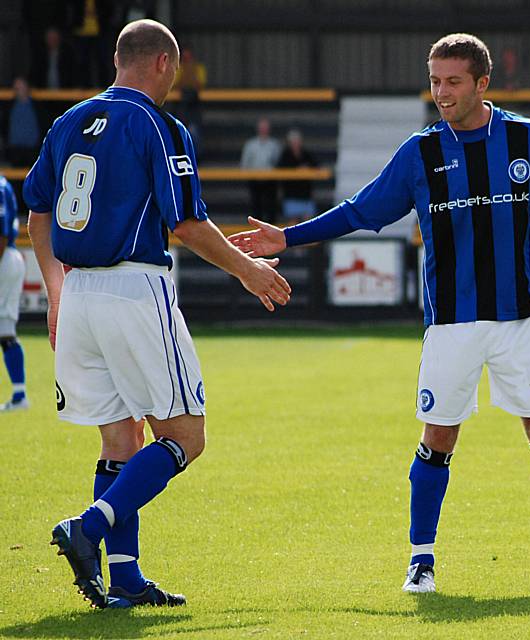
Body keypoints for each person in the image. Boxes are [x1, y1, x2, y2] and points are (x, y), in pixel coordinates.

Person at [229, 33, 530, 594]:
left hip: (521, 320)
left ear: (482, 83)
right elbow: (360, 211)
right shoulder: (420, 152)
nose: (441, 92)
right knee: (438, 438)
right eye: (435, 80)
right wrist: (288, 237)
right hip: (451, 323)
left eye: (453, 81)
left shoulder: (527, 140)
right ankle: (421, 559)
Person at [24, 19, 291, 610]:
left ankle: (124, 582)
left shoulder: (68, 120)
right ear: (165, 64)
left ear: (120, 59)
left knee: (119, 440)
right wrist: (248, 271)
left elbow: (37, 211)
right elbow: (187, 223)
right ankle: (88, 528)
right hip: (133, 290)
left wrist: (55, 291)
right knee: (186, 436)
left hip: (78, 297)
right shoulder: (157, 123)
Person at [0, 175, 28, 412]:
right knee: (5, 330)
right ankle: (19, 394)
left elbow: (1, 232)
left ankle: (20, 395)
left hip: (4, 258)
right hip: (8, 257)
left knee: (5, 331)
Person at [240, 117, 281, 224]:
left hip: (270, 180)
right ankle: (255, 230)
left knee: (271, 206)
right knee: (256, 207)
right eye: (262, 127)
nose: (263, 129)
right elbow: (245, 163)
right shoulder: (251, 144)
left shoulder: (274, 144)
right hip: (255, 179)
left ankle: (272, 231)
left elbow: (278, 162)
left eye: (265, 127)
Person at [277, 128, 318, 224]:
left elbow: (316, 166)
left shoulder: (306, 154)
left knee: (309, 223)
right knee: (293, 223)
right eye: (293, 141)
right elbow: (280, 169)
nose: (296, 143)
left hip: (305, 195)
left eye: (297, 141)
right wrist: (297, 169)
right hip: (291, 194)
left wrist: (307, 168)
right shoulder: (285, 155)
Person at [5, 77, 42, 167]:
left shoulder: (38, 106)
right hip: (15, 150)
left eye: (21, 86)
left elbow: (43, 125)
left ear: (27, 87)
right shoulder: (9, 106)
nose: (18, 89)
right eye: (16, 87)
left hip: (33, 150)